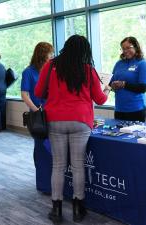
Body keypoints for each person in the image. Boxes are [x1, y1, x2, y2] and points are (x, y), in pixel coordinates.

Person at [34, 35, 110, 223]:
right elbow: (100, 99)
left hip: (55, 120)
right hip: (81, 121)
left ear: (66, 47)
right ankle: (78, 209)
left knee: (58, 166)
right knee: (78, 165)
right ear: (85, 51)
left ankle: (57, 209)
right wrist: (107, 88)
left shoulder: (51, 66)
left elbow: (38, 93)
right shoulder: (87, 69)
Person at [21, 42, 54, 193]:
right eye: (50, 54)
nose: (52, 57)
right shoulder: (28, 72)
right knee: (41, 147)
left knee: (53, 148)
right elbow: (25, 94)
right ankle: (43, 182)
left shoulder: (51, 70)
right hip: (38, 115)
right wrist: (36, 110)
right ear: (42, 54)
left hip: (53, 113)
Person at [109, 36, 146, 122]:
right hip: (119, 109)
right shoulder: (119, 63)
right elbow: (110, 82)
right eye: (123, 49)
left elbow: (143, 88)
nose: (125, 51)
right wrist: (112, 85)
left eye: (128, 48)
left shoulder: (143, 64)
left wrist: (124, 84)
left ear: (136, 47)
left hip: (136, 109)